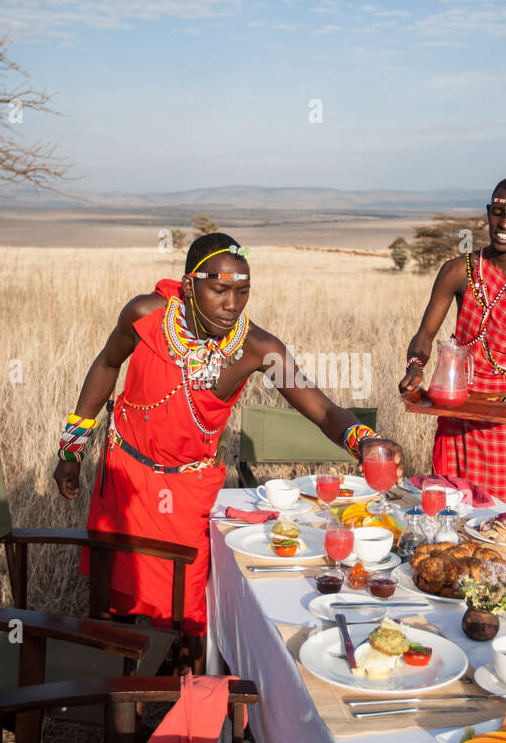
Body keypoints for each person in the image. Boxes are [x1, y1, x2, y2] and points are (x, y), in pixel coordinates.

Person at [54, 232, 404, 667]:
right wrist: (71, 448)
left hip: (186, 492)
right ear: (188, 286)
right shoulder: (145, 315)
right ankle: (108, 691)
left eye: (242, 291)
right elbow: (107, 364)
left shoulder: (256, 348)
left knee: (184, 616)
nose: (231, 303)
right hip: (124, 477)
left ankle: (182, 702)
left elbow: (324, 411)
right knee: (110, 601)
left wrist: (365, 440)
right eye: (218, 289)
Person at [398, 176, 506, 508]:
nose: (505, 223)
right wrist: (415, 368)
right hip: (456, 409)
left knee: (505, 519)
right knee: (449, 516)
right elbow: (423, 337)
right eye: (498, 212)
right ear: (488, 212)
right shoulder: (457, 271)